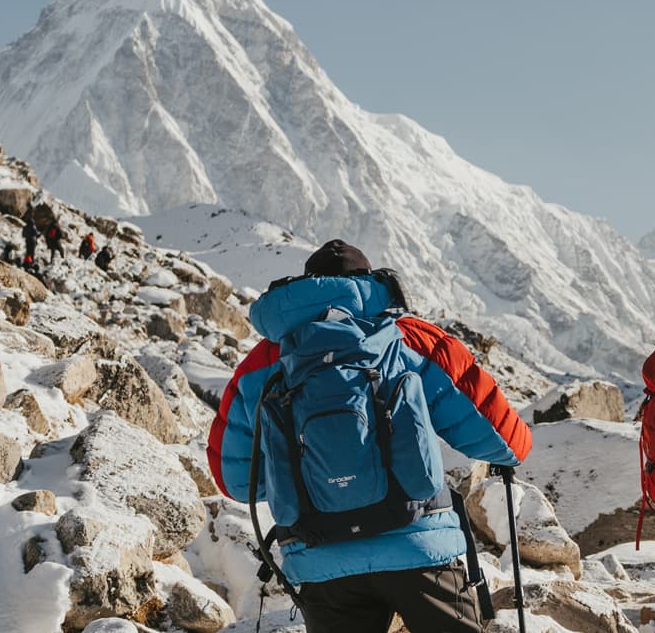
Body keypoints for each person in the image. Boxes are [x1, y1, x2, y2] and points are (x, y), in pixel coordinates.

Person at [206, 240, 532, 631]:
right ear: (370, 282)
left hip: (320, 558)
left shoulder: (263, 362)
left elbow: (236, 481)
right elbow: (508, 442)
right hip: (418, 544)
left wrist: (319, 478)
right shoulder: (409, 339)